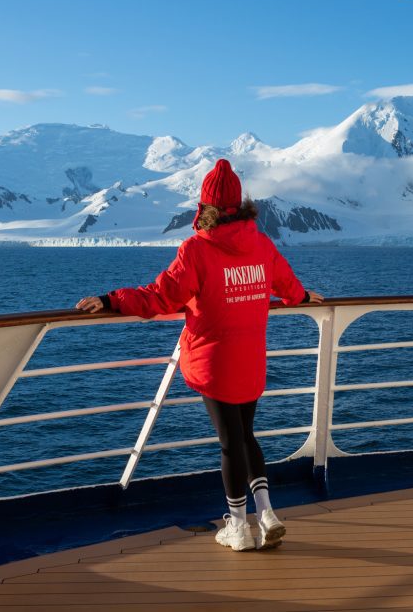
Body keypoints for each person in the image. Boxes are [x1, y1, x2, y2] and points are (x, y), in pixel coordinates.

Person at [76, 158, 323, 552]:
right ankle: (268, 514)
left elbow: (160, 297)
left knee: (229, 443)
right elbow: (285, 282)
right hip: (250, 358)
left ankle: (239, 527)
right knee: (246, 436)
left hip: (214, 362)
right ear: (241, 204)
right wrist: (302, 297)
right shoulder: (260, 243)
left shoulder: (197, 250)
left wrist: (110, 299)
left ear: (204, 207)